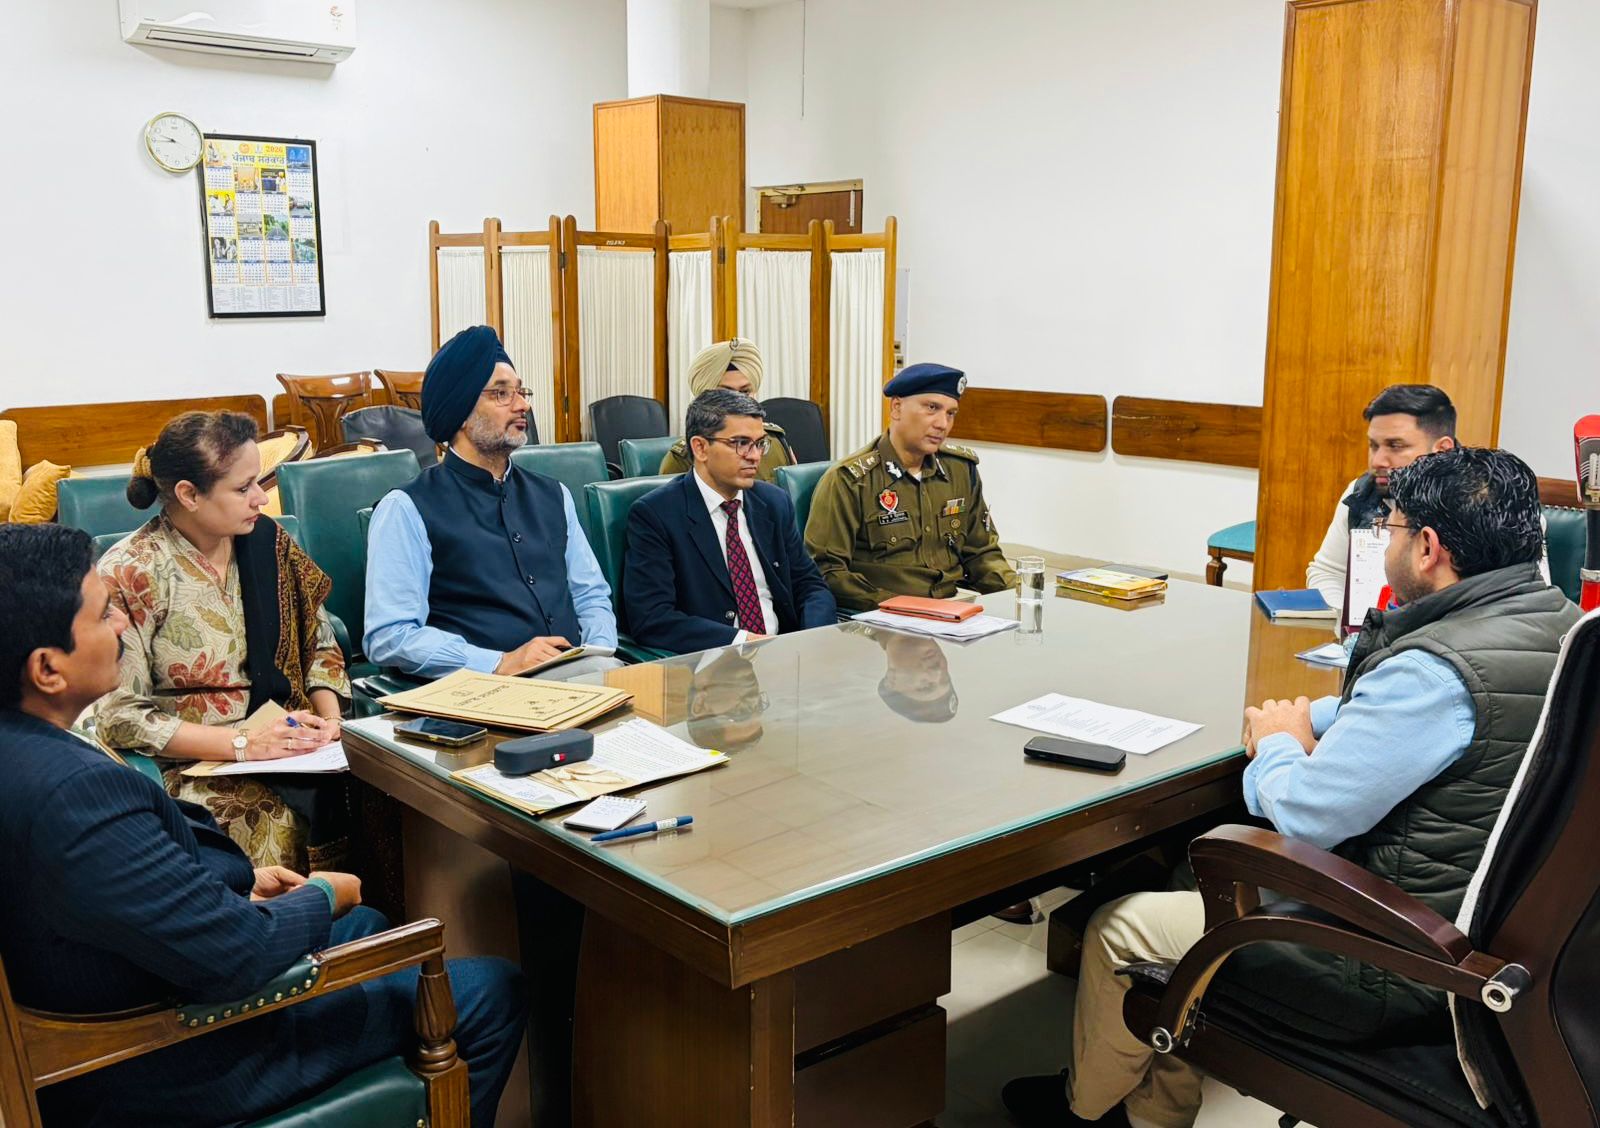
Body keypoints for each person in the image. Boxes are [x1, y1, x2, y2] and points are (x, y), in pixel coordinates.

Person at [1002, 447, 1580, 1128]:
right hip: (1497, 945)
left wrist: (1277, 741)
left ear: (1428, 548)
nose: (1385, 542)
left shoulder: (1434, 672)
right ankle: (1152, 1115)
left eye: (1390, 527)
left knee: (1122, 928)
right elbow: (1438, 719)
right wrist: (1314, 718)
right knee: (1195, 885)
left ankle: (1082, 1113)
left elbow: (1306, 814)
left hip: (1390, 962)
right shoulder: (1563, 628)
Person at [0, 524, 527, 1127]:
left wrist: (241, 884)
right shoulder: (74, 794)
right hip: (174, 1057)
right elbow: (237, 954)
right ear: (47, 669)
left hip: (124, 986)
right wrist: (324, 892)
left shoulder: (26, 746)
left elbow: (109, 894)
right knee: (490, 988)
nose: (122, 624)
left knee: (368, 924)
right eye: (101, 615)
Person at [97, 411, 351, 871]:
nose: (261, 498)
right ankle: (301, 914)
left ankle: (380, 917)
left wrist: (331, 721)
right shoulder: (132, 571)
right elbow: (121, 717)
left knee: (383, 791)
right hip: (196, 763)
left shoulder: (270, 543)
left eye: (259, 481)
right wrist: (243, 743)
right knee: (265, 817)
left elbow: (320, 644)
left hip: (295, 740)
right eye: (243, 487)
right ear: (189, 494)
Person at [364, 325, 622, 679]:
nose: (523, 405)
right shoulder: (406, 508)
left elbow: (591, 596)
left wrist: (599, 656)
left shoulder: (554, 495)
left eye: (520, 391)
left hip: (582, 677)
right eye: (501, 394)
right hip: (483, 692)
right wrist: (499, 661)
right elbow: (390, 636)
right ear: (461, 413)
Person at [624, 389, 837, 653]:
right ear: (700, 448)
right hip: (712, 661)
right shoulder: (656, 514)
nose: (755, 456)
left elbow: (810, 586)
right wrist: (744, 642)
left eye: (760, 443)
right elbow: (652, 618)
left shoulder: (773, 502)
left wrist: (813, 639)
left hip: (788, 655)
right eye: (741, 443)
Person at [805, 362, 1017, 612]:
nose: (942, 424)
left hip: (952, 610)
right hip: (884, 615)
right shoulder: (851, 480)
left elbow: (981, 553)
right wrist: (902, 607)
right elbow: (827, 571)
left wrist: (1021, 593)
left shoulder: (960, 470)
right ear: (897, 408)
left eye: (951, 413)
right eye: (932, 408)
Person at [1306, 384, 1456, 612]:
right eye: (1373, 446)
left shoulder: (1476, 502)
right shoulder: (1361, 493)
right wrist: (1355, 624)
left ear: (1442, 450)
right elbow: (1328, 573)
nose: (1378, 461)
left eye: (1395, 446)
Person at [659, 338, 797, 480]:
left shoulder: (775, 444)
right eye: (725, 394)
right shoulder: (684, 459)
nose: (737, 402)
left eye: (745, 392)